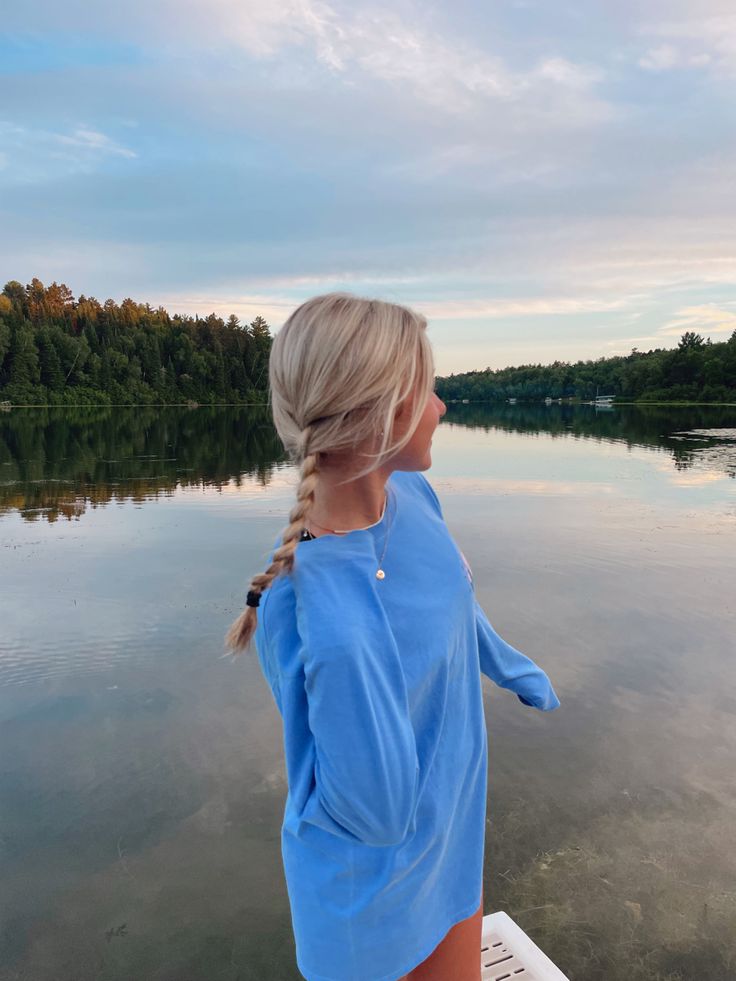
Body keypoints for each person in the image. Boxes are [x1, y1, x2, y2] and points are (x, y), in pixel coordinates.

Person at [224, 293, 560, 981]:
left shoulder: (414, 499)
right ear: (378, 413)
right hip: (367, 897)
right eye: (426, 391)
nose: (441, 406)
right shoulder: (313, 607)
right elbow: (374, 809)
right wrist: (349, 626)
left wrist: (509, 664)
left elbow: (449, 598)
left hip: (452, 838)